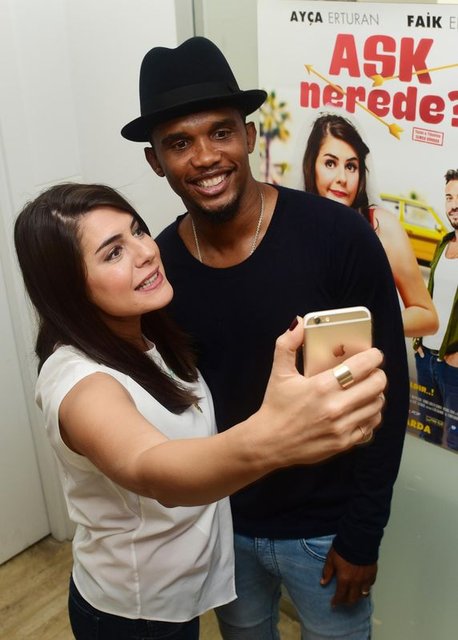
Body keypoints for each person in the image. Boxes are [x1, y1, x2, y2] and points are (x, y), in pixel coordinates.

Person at [121, 37, 409, 640]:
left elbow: (389, 389)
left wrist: (363, 533)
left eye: (221, 132)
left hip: (327, 531)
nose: (205, 157)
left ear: (250, 136)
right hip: (225, 526)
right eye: (179, 143)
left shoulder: (338, 236)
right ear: (155, 161)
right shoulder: (159, 271)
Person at [14, 182, 386, 640]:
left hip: (185, 595)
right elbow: (149, 465)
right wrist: (274, 437)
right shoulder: (76, 380)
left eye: (138, 231)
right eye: (113, 253)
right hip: (135, 614)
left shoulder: (150, 331)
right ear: (69, 288)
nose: (146, 252)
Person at [303, 113, 438, 339]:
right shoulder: (295, 224)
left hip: (371, 358)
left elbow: (427, 317)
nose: (342, 177)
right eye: (330, 163)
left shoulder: (381, 226)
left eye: (351, 166)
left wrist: (361, 326)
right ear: (311, 166)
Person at [414, 169, 458, 450]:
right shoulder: (443, 244)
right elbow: (430, 296)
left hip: (453, 367)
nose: (453, 205)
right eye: (449, 198)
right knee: (427, 435)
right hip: (425, 358)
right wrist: (419, 341)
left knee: (455, 444)